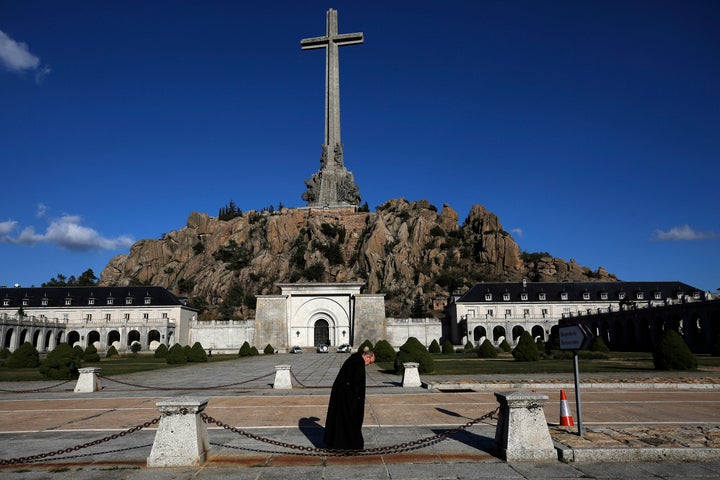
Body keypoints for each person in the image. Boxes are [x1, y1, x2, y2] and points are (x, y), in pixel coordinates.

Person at [323, 346, 376, 450]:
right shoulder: (358, 363)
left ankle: (336, 443)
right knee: (350, 420)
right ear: (367, 357)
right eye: (370, 362)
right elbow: (356, 383)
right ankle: (350, 445)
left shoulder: (354, 359)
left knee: (340, 420)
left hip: (341, 394)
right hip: (346, 397)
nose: (369, 365)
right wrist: (358, 400)